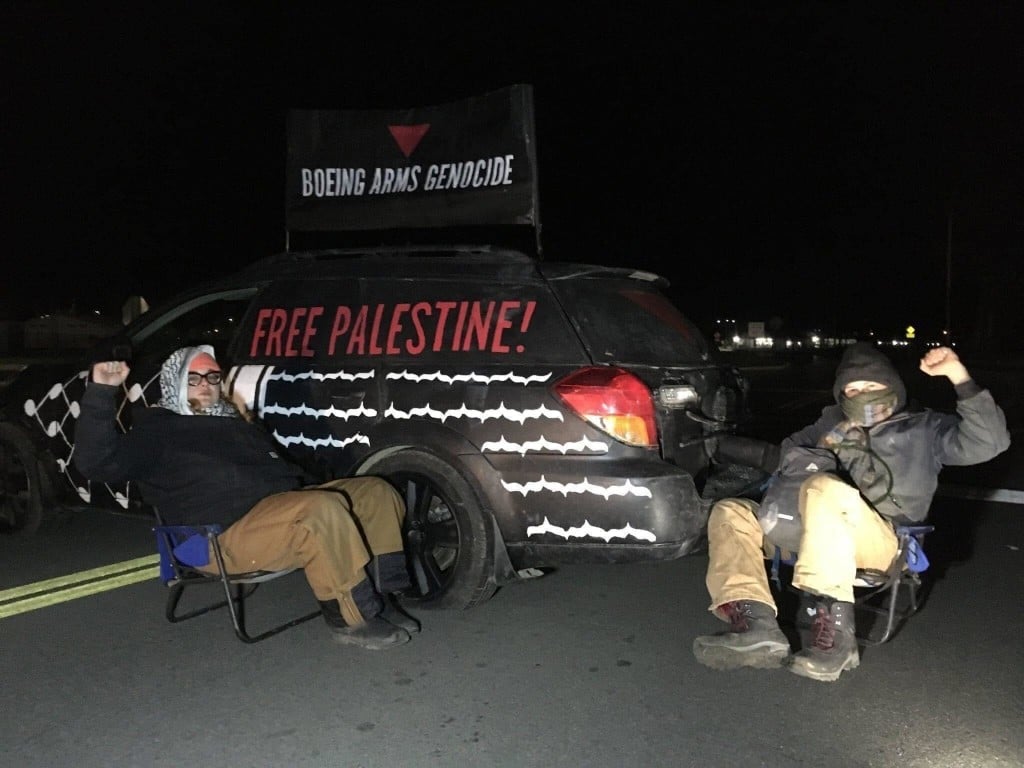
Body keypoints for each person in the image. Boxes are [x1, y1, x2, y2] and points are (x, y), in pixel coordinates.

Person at [693, 343, 1010, 681]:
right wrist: (732, 447)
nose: (862, 394)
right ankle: (755, 625)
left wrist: (958, 376)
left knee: (825, 489)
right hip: (811, 531)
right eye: (853, 389)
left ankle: (838, 641)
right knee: (732, 512)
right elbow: (785, 455)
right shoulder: (832, 423)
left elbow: (989, 442)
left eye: (872, 387)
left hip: (882, 541)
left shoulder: (925, 428)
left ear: (893, 388)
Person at [74, 344, 418, 650]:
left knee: (374, 493)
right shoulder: (156, 431)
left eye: (212, 377)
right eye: (194, 378)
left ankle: (382, 597)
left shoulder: (236, 426)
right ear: (174, 382)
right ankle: (353, 619)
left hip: (274, 518)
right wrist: (101, 391)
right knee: (320, 510)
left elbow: (286, 476)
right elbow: (97, 463)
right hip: (218, 539)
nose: (206, 385)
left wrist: (325, 486)